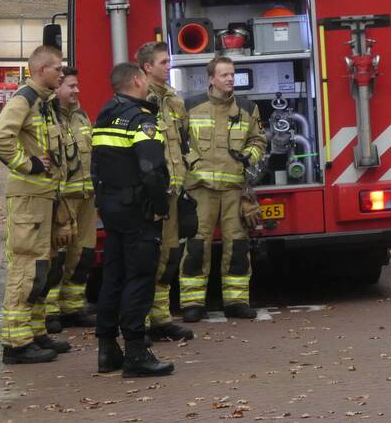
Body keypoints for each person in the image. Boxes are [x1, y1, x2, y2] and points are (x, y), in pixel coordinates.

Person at [0, 45, 73, 364]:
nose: (61, 73)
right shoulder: (24, 98)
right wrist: (29, 164)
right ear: (40, 70)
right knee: (27, 267)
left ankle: (36, 332)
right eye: (57, 68)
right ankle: (16, 343)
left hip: (44, 198)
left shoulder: (44, 103)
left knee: (42, 268)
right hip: (29, 199)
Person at [91, 63, 174, 377]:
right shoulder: (142, 120)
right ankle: (136, 353)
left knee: (113, 276)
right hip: (139, 210)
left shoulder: (104, 116)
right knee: (139, 277)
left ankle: (107, 349)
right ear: (138, 80)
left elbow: (96, 166)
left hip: (111, 207)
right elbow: (151, 170)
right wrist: (160, 206)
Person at [179, 56, 267, 323]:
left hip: (233, 190)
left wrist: (247, 158)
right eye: (224, 75)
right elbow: (177, 141)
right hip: (200, 189)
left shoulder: (247, 108)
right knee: (196, 246)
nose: (230, 79)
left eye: (232, 74)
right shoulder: (190, 107)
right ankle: (193, 303)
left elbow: (259, 141)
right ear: (211, 79)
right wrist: (191, 162)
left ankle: (237, 301)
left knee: (237, 246)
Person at [136, 42, 194, 343]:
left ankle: (161, 319)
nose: (168, 66)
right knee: (148, 258)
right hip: (150, 194)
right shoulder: (138, 101)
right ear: (147, 67)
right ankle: (141, 322)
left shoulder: (173, 101)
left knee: (169, 256)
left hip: (172, 190)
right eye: (163, 62)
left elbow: (183, 141)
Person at [44, 67, 97, 333]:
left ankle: (73, 307)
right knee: (57, 257)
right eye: (72, 86)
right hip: (62, 200)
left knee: (83, 254)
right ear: (57, 88)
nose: (77, 90)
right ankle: (50, 311)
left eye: (77, 86)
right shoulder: (47, 119)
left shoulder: (81, 116)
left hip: (86, 197)